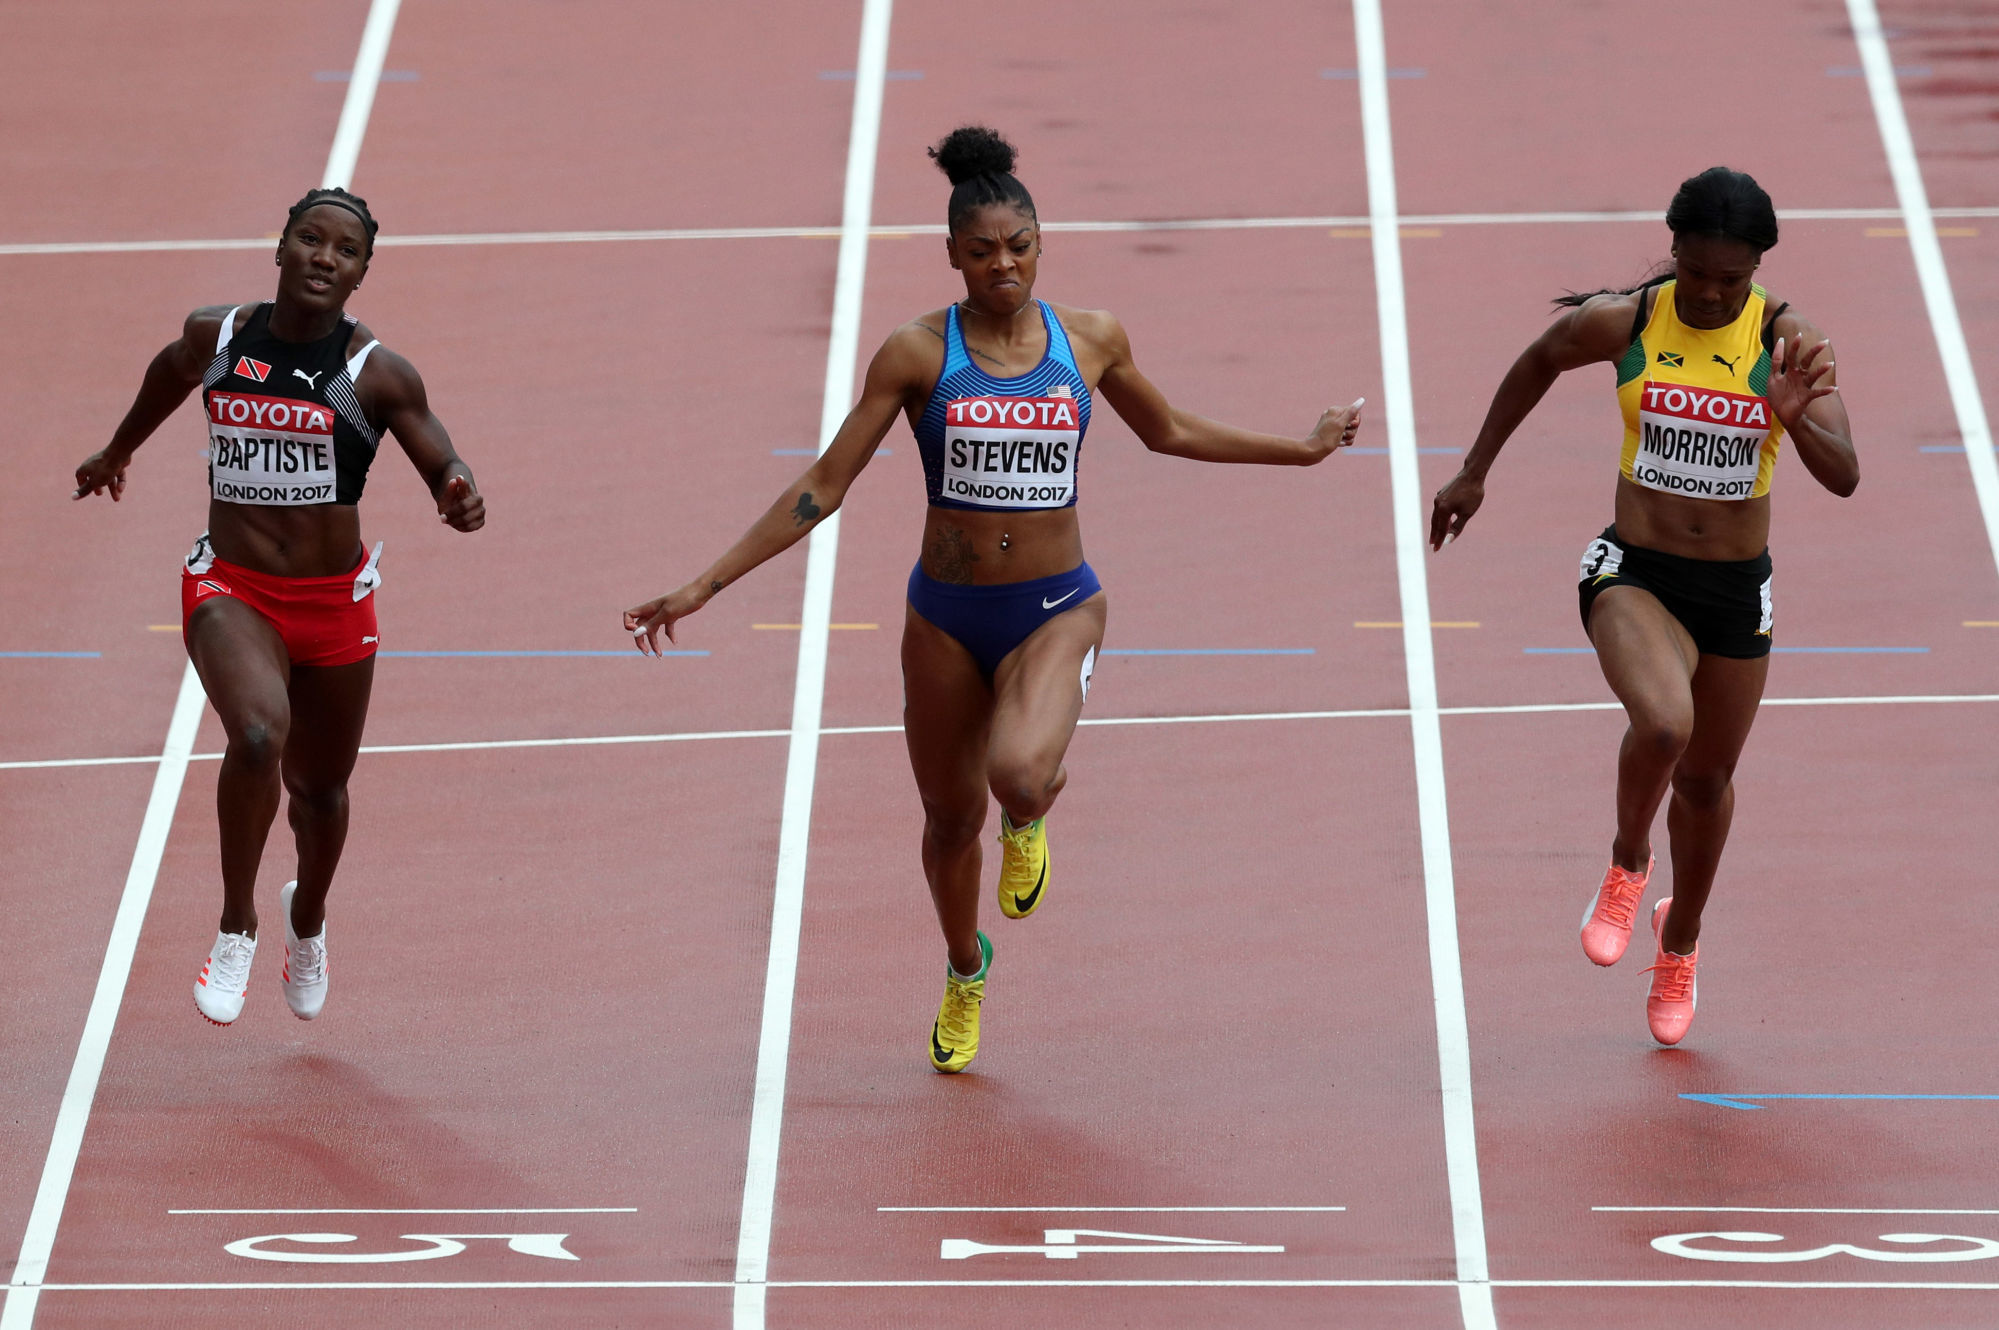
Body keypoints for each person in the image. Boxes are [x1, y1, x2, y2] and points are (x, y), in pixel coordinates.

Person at [626, 126, 1363, 1072]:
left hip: (1056, 606)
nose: (1002, 265)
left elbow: (1169, 429)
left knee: (1015, 775)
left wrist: (1299, 448)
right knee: (945, 821)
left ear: (1041, 242)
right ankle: (964, 968)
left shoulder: (1089, 339)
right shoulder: (915, 353)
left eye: (1018, 246)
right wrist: (703, 583)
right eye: (981, 252)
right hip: (943, 617)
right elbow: (822, 485)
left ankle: (1031, 815)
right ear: (952, 257)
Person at [1429, 166, 1856, 1045]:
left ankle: (1680, 942)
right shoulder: (1626, 320)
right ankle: (1626, 863)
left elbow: (1845, 475)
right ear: (1672, 252)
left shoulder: (1789, 341)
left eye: (1727, 280)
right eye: (1693, 270)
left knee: (1706, 781)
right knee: (1663, 725)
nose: (1706, 292)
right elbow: (1538, 359)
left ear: (1756, 272)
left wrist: (1793, 416)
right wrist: (1475, 470)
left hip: (1734, 588)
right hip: (1635, 570)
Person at [74, 187, 485, 1025]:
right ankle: (237, 924)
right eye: (309, 239)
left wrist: (456, 487)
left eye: (344, 250)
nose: (323, 257)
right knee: (258, 734)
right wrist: (118, 450)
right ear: (282, 247)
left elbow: (437, 451)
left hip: (333, 603)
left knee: (322, 790)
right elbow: (168, 373)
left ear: (362, 273)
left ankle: (307, 918)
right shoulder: (219, 337)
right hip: (233, 586)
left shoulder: (372, 374)